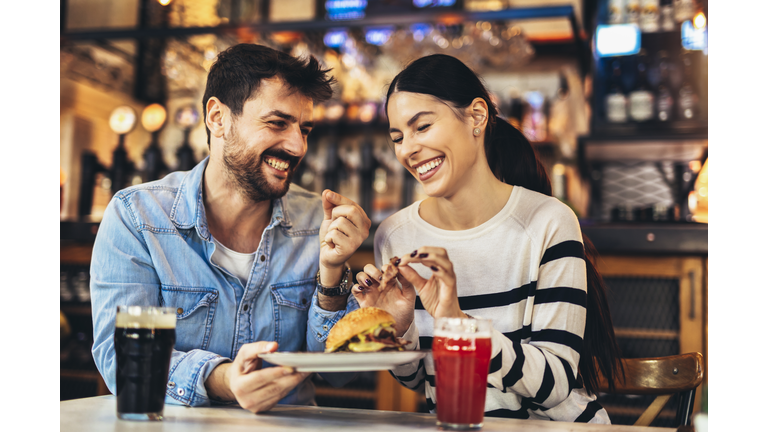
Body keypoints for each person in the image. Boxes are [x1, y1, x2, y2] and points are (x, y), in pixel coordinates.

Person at [90, 44, 370, 413]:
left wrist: (332, 279)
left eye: (304, 129)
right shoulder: (138, 217)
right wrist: (224, 380)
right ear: (218, 117)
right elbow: (122, 357)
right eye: (277, 123)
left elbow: (339, 373)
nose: (297, 145)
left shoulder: (318, 223)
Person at [351, 54, 623, 423]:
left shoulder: (548, 222)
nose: (408, 149)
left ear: (477, 116)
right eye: (398, 137)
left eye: (423, 127)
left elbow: (556, 382)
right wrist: (397, 330)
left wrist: (455, 321)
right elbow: (422, 381)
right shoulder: (396, 237)